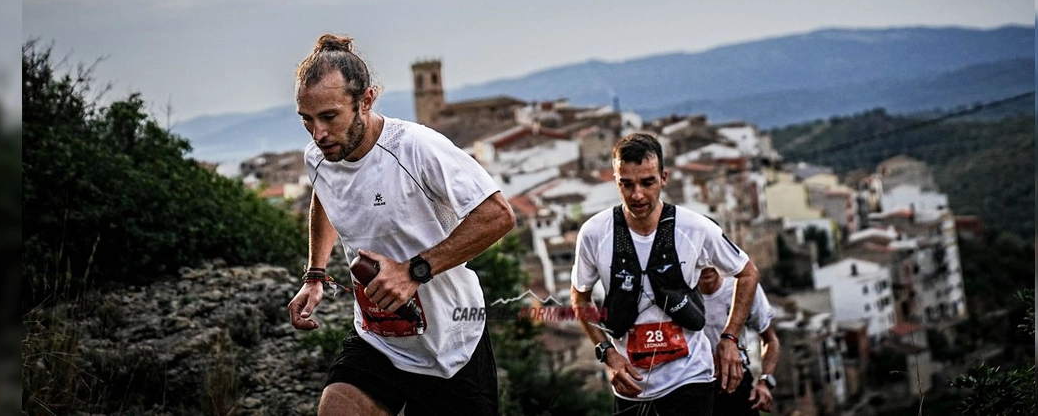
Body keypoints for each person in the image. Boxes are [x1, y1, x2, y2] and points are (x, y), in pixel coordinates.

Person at [286, 33, 516, 416]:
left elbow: (498, 215)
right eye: (307, 120)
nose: (318, 134)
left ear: (366, 101)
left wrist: (414, 271)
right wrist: (315, 273)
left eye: (329, 117)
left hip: (451, 348)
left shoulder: (416, 148)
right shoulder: (320, 156)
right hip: (378, 342)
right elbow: (324, 195)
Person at [571, 133, 762, 416]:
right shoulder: (595, 233)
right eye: (627, 184)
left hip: (690, 378)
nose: (637, 195)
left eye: (647, 182)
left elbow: (747, 273)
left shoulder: (695, 227)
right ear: (615, 180)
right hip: (631, 386)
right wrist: (606, 352)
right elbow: (580, 298)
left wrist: (729, 339)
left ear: (664, 178)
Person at [698, 268, 781, 415]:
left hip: (737, 384)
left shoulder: (741, 285)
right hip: (695, 390)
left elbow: (770, 340)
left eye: (710, 258)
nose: (706, 266)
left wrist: (764, 382)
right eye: (700, 260)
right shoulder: (679, 291)